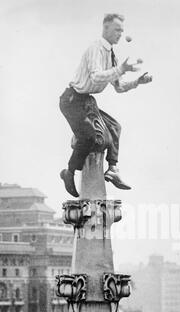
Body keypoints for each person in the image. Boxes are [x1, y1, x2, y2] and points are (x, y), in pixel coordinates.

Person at [59, 13, 152, 197]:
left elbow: (119, 87)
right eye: (117, 29)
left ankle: (113, 169)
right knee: (89, 137)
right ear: (106, 28)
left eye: (122, 30)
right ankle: (69, 172)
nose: (120, 34)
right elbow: (95, 76)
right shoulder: (95, 48)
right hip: (72, 100)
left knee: (115, 127)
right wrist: (120, 69)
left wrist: (137, 82)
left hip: (87, 101)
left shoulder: (112, 56)